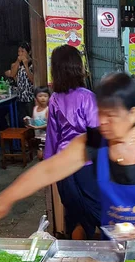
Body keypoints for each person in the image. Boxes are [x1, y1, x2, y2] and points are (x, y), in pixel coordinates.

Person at [0, 72, 135, 239]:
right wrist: (3, 200)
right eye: (100, 113)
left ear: (134, 113)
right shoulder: (93, 141)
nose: (102, 122)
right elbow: (48, 170)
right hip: (118, 242)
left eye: (111, 116)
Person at [40, 45, 100, 239]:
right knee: (96, 211)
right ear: (77, 67)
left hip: (63, 165)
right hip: (86, 164)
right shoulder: (87, 97)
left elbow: (52, 136)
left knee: (74, 212)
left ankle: (78, 256)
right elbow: (96, 134)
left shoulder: (55, 99)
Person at [6, 42, 34, 126]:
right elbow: (12, 75)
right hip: (20, 97)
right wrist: (18, 62)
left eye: (23, 51)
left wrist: (26, 65)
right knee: (22, 121)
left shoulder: (33, 64)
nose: (20, 54)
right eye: (19, 51)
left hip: (30, 97)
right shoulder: (16, 64)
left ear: (28, 52)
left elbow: (33, 80)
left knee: (31, 120)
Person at [26, 86, 50, 160]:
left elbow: (49, 124)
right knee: (40, 157)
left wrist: (37, 127)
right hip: (37, 136)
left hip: (46, 137)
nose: (43, 98)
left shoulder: (48, 109)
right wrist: (28, 120)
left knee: (43, 156)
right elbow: (33, 121)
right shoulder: (35, 108)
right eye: (40, 96)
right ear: (35, 98)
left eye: (45, 96)